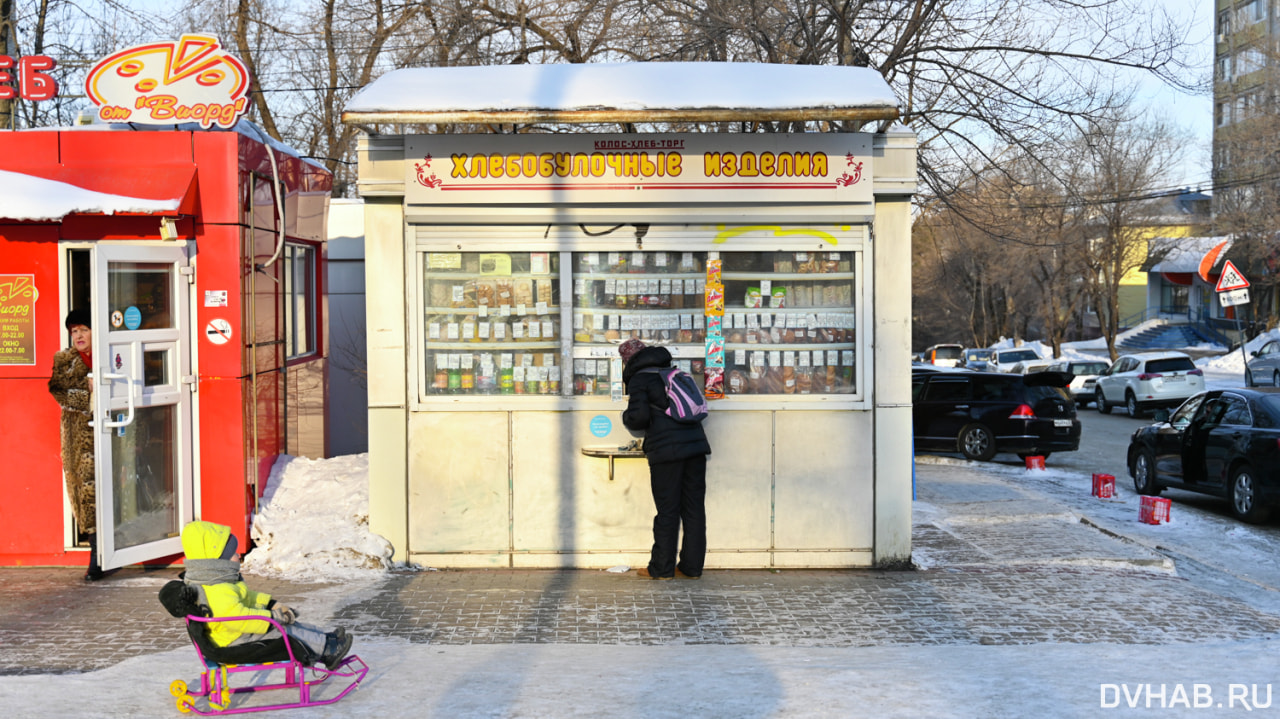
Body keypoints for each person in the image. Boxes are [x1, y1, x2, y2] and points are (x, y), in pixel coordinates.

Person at [179, 520, 354, 670]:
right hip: (234, 641)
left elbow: (246, 596)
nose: (238, 555)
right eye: (233, 553)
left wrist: (271, 604)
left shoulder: (218, 581)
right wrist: (270, 617)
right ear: (216, 560)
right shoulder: (217, 589)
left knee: (291, 623)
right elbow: (238, 618)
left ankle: (326, 639)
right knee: (286, 631)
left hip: (237, 634)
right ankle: (327, 651)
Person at [619, 339, 712, 580]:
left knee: (667, 510)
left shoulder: (640, 378)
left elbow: (638, 419)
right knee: (693, 509)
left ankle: (661, 568)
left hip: (666, 452)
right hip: (695, 449)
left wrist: (625, 416)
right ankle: (691, 567)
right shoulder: (674, 372)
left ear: (628, 361)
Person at [48, 309, 100, 581]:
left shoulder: (111, 354)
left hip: (110, 431)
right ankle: (96, 556)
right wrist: (86, 392)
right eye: (74, 331)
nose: (78, 336)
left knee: (115, 489)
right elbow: (58, 391)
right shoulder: (64, 359)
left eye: (83, 329)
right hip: (80, 437)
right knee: (86, 492)